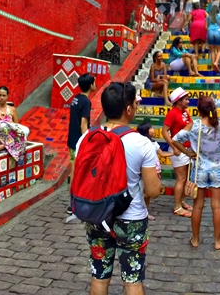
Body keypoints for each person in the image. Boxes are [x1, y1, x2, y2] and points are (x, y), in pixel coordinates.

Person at [83, 83, 160, 294]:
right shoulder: (141, 143)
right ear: (128, 109)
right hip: (131, 219)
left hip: (96, 215)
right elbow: (153, 191)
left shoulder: (87, 138)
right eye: (135, 103)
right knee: (132, 280)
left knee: (99, 276)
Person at [171, 96, 220, 251]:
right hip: (217, 170)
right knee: (217, 206)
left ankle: (195, 239)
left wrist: (188, 152)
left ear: (199, 110)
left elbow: (174, 140)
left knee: (198, 206)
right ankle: (218, 241)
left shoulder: (194, 126)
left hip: (199, 170)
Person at [161, 87, 194, 218]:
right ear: (179, 101)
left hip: (187, 149)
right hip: (178, 151)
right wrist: (174, 147)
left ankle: (181, 201)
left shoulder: (185, 112)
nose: (188, 101)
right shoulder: (172, 113)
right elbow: (164, 131)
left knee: (185, 178)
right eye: (186, 99)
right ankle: (177, 207)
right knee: (181, 179)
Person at [66, 74, 94, 217]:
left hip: (72, 140)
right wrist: (87, 141)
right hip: (79, 142)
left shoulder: (75, 99)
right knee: (77, 173)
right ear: (90, 85)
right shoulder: (86, 102)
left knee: (74, 171)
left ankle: (73, 203)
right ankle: (73, 205)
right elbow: (84, 124)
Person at [136, 122, 172, 221]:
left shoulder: (154, 143)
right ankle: (135, 202)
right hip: (146, 171)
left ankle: (145, 212)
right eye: (150, 128)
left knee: (149, 195)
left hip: (155, 170)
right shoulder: (140, 144)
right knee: (148, 193)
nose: (153, 130)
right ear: (145, 131)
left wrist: (174, 153)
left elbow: (162, 154)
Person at [0, 85, 29, 159]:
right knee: (1, 125)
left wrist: (11, 123)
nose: (2, 98)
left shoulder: (12, 109)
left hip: (10, 137)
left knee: (26, 130)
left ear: (7, 96)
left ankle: (2, 147)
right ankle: (5, 146)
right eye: (0, 95)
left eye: (4, 95)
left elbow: (17, 127)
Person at [206, 3, 220, 73]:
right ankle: (216, 63)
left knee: (212, 51)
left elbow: (206, 27)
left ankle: (213, 66)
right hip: (218, 32)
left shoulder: (208, 17)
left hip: (210, 32)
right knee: (219, 50)